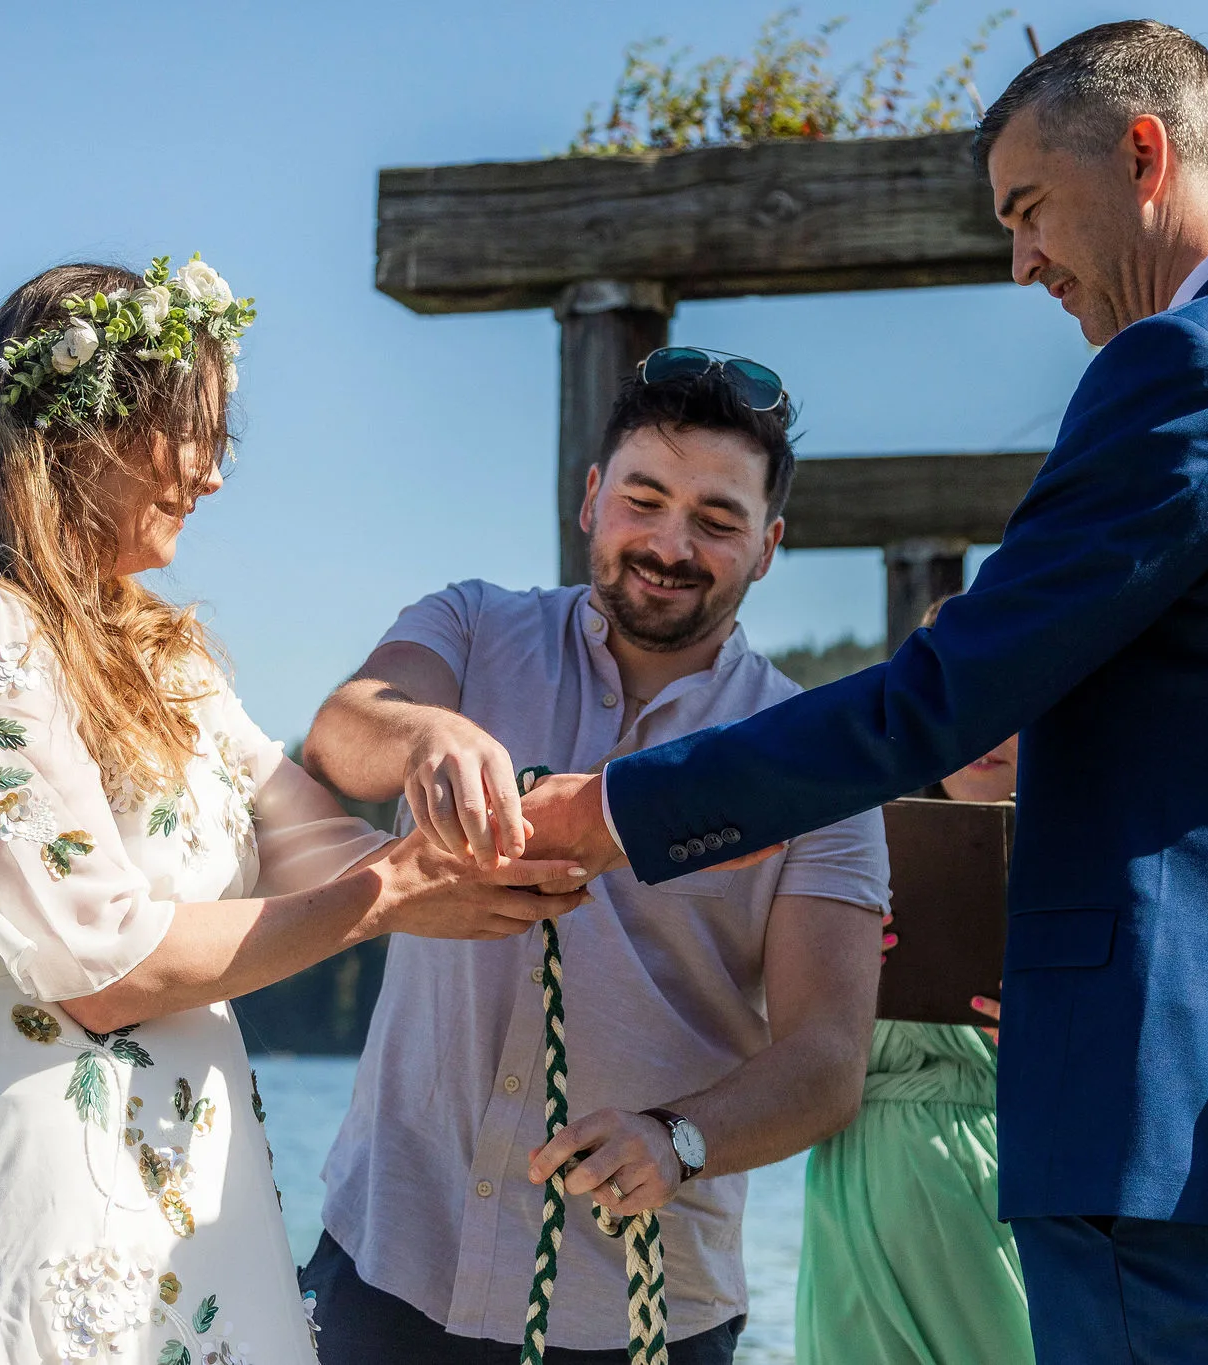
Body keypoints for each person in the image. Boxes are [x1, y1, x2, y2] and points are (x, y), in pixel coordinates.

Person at [518, 21, 1208, 1364]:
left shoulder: (1187, 368)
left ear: (1144, 152)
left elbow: (942, 697)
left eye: (1029, 208)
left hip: (1165, 1108)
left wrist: (621, 807)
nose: (1021, 260)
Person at [0, 259, 586, 1364]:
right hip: (58, 1172)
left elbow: (312, 842)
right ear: (88, 434)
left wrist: (528, 838)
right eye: (188, 432)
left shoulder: (167, 654)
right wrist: (386, 895)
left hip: (210, 1188)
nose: (211, 475)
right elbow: (100, 968)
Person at [297, 350, 890, 1364]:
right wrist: (425, 738)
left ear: (767, 546)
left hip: (639, 1312)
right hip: (385, 1265)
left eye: (715, 520)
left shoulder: (813, 761)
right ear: (590, 499)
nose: (669, 544)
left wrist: (680, 1140)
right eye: (643, 500)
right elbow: (345, 731)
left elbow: (826, 1062)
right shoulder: (471, 625)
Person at [796, 596, 1034, 1365]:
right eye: (949, 698)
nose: (976, 729)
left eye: (1002, 700)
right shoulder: (848, 840)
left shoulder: (1096, 865)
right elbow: (775, 1042)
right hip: (856, 1180)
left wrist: (1050, 1039)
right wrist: (834, 971)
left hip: (1008, 1179)